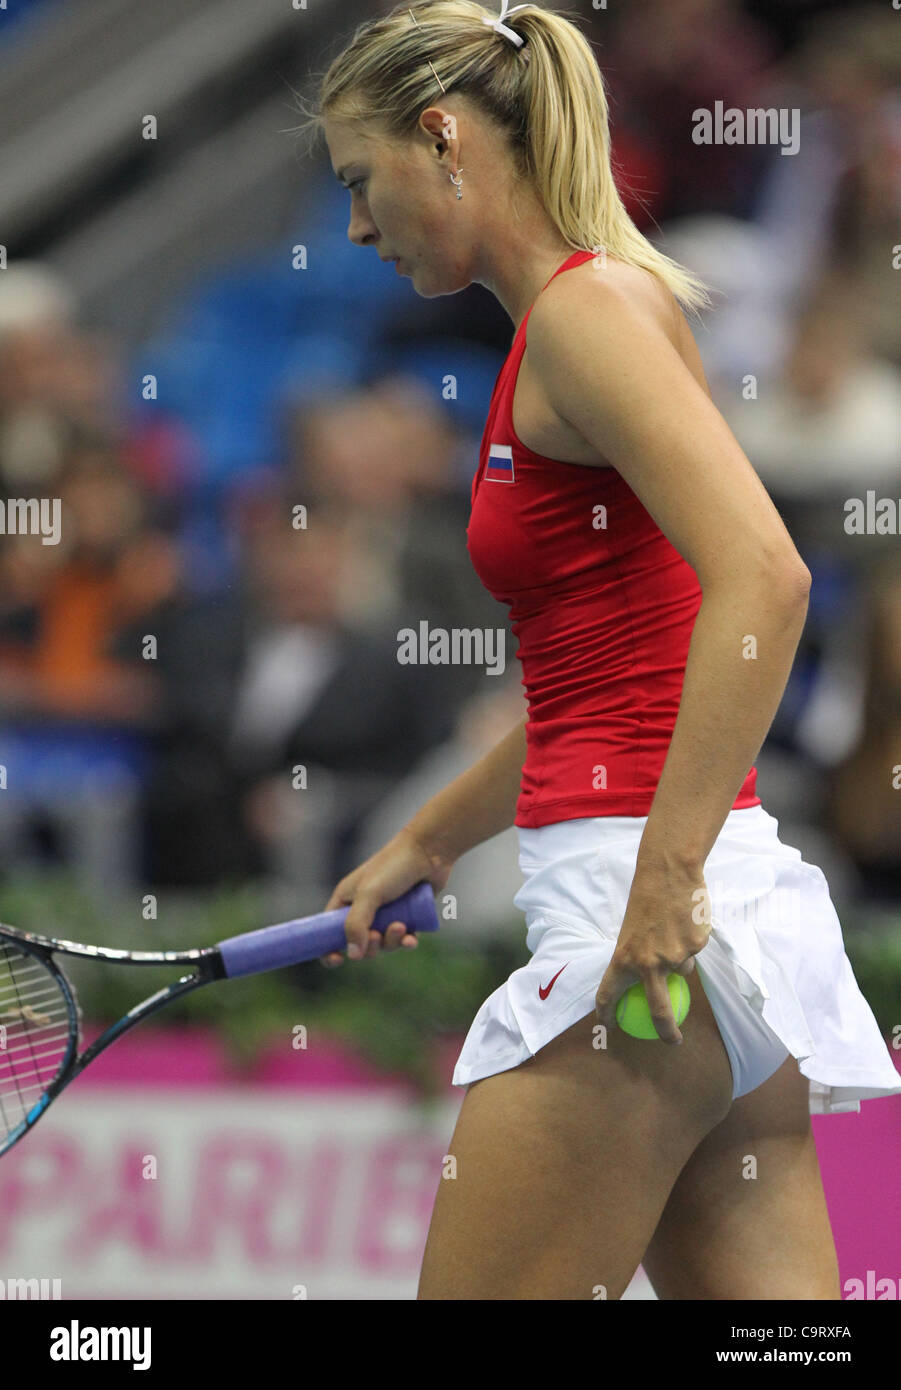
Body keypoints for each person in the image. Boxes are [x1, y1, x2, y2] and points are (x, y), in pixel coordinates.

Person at [299, 0, 901, 1300]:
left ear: (441, 135)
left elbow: (767, 578)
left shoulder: (586, 319)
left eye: (361, 179)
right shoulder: (590, 312)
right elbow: (626, 659)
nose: (355, 225)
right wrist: (434, 837)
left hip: (647, 931)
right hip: (709, 943)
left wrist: (661, 883)